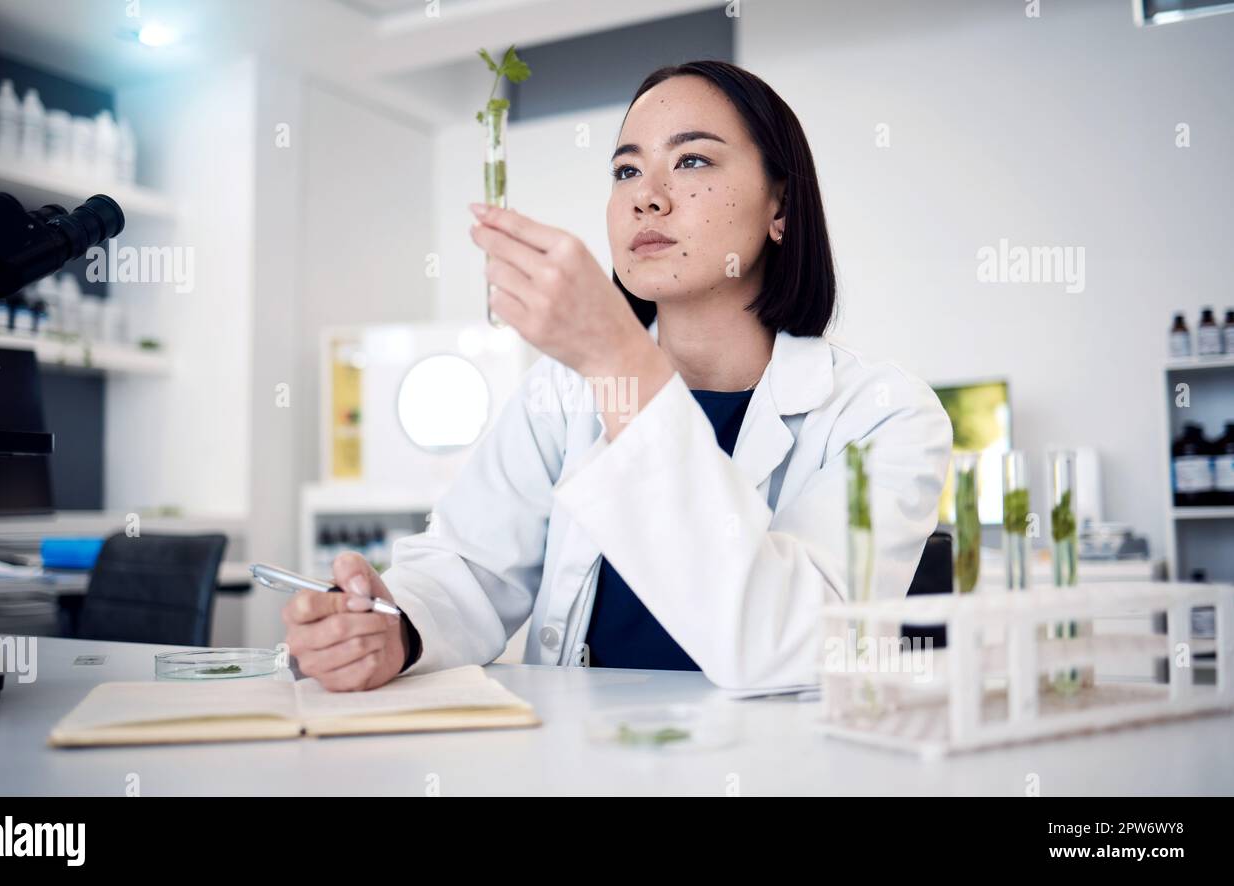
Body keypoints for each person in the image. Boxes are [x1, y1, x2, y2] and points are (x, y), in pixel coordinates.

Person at [282, 60, 952, 692]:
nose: (647, 199)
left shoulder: (883, 414)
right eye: (626, 171)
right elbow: (469, 570)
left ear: (780, 205)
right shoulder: (560, 393)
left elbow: (794, 644)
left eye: (691, 160)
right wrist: (391, 628)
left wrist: (618, 361)